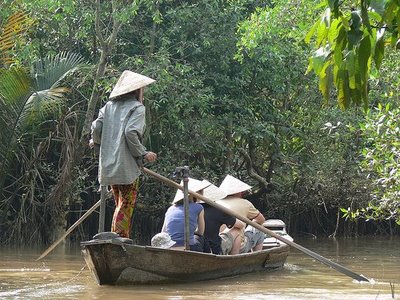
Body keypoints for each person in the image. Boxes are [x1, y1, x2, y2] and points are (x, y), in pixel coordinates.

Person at [90, 70, 157, 238]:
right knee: (125, 204)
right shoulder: (137, 108)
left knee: (120, 203)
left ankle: (117, 237)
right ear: (136, 91)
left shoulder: (108, 107)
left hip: (109, 165)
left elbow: (96, 128)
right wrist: (143, 153)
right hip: (126, 167)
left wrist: (96, 142)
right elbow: (130, 132)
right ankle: (119, 238)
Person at [217, 175, 266, 254]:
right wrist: (250, 224)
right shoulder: (245, 203)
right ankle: (257, 256)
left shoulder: (216, 202)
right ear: (238, 192)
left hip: (220, 243)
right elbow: (261, 220)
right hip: (237, 245)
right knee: (260, 228)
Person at [162, 178, 210, 252]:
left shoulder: (170, 209)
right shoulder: (199, 207)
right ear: (194, 194)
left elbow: (164, 232)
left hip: (170, 245)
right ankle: (209, 259)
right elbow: (201, 232)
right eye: (200, 191)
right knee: (200, 238)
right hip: (189, 246)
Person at [201, 182, 245, 255]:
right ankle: (234, 260)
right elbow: (240, 225)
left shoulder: (194, 208)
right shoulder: (219, 209)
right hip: (213, 249)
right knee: (237, 231)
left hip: (198, 245)